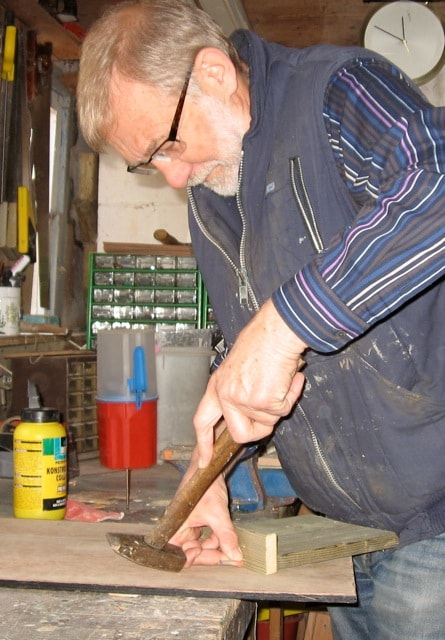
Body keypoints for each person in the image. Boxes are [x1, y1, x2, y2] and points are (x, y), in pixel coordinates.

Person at [77, 1, 445, 638]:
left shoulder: (337, 90)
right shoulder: (214, 188)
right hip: (342, 530)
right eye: (149, 163)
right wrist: (214, 462)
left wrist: (282, 326)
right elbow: (250, 335)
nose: (173, 177)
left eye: (168, 145)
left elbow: (435, 186)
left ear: (214, 73)